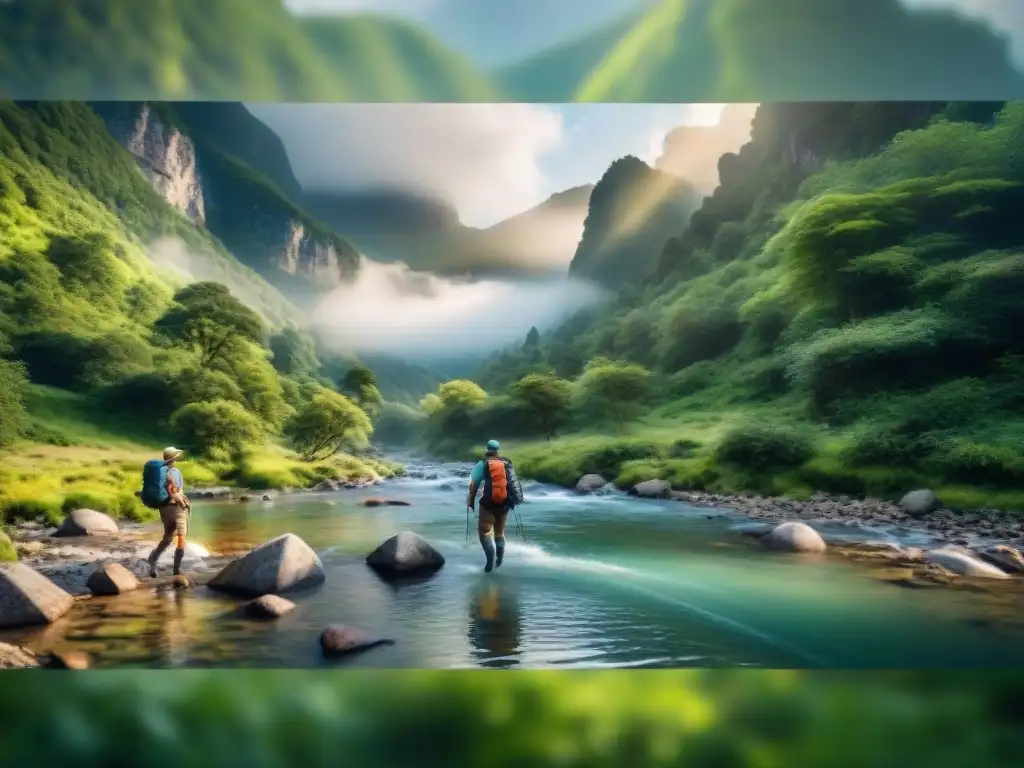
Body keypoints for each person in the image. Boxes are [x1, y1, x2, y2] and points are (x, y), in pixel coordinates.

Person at [466, 439, 522, 573]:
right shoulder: (506, 463)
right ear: (498, 451)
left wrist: (471, 502)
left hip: (488, 504)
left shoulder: (483, 464)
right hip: (504, 503)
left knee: (484, 531)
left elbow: (473, 485)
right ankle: (500, 559)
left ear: (487, 450)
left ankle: (489, 562)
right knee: (499, 533)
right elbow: (512, 482)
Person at [144, 447, 192, 578]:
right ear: (174, 458)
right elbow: (176, 491)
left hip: (164, 509)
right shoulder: (175, 472)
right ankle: (176, 570)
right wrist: (183, 503)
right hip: (177, 508)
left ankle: (152, 561)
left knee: (168, 538)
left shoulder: (159, 472)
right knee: (181, 538)